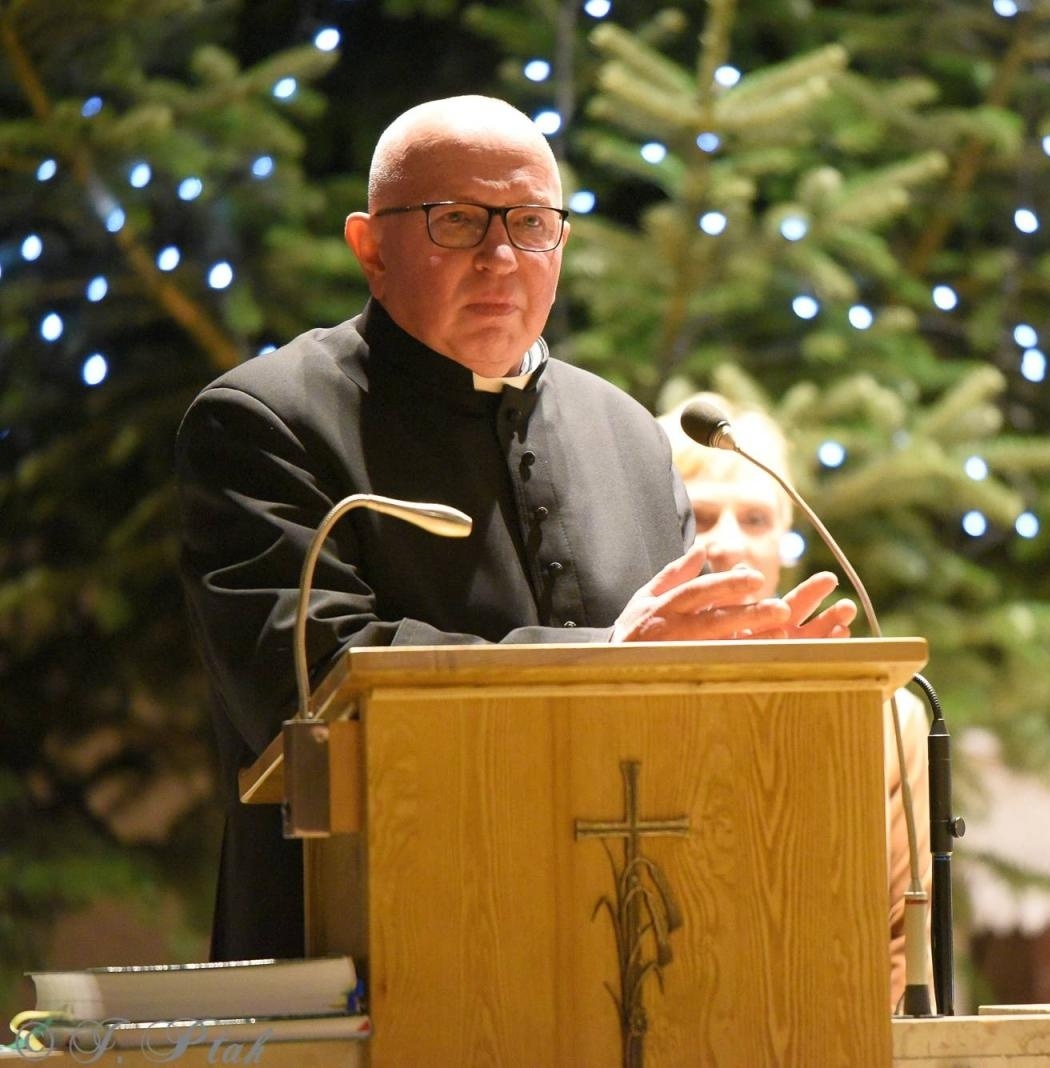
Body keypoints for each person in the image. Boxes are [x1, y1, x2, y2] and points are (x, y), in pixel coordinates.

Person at [175, 96, 854, 962]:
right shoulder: (265, 421)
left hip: (621, 963)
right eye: (458, 221)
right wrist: (609, 661)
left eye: (531, 223)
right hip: (374, 951)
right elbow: (310, 686)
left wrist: (754, 688)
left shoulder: (630, 435)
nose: (501, 256)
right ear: (371, 247)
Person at [658, 394, 933, 1011]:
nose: (730, 543)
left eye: (756, 520)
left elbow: (902, 942)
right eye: (702, 516)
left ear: (783, 541)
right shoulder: (612, 693)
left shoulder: (886, 715)